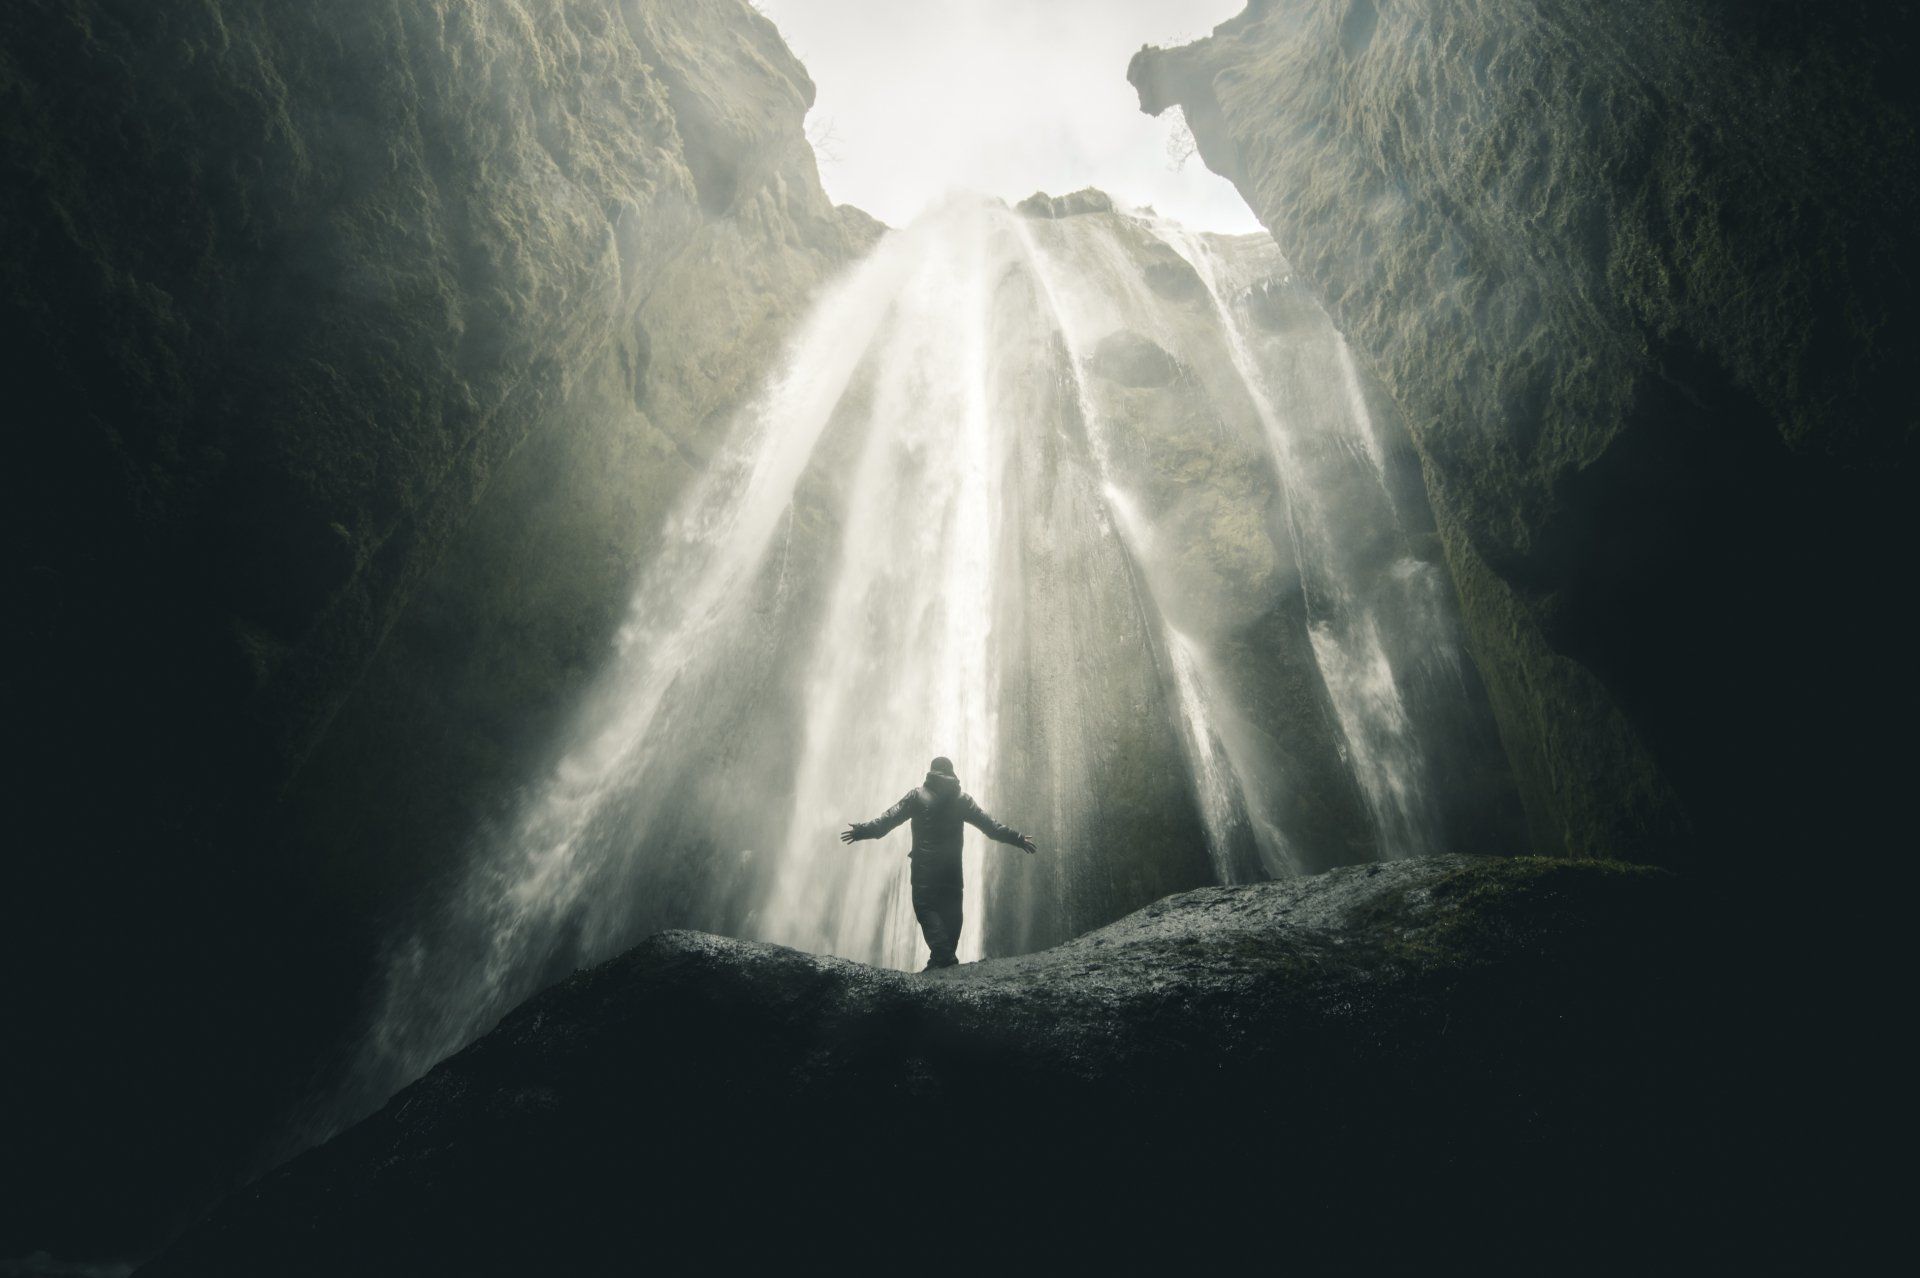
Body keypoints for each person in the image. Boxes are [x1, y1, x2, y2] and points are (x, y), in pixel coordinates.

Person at [840, 756, 1038, 972]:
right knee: (952, 914)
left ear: (931, 772)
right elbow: (992, 828)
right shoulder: (963, 800)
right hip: (953, 873)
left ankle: (943, 958)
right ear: (953, 774)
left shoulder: (917, 796)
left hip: (925, 871)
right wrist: (1018, 838)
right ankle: (940, 962)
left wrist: (861, 831)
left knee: (925, 908)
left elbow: (885, 822)